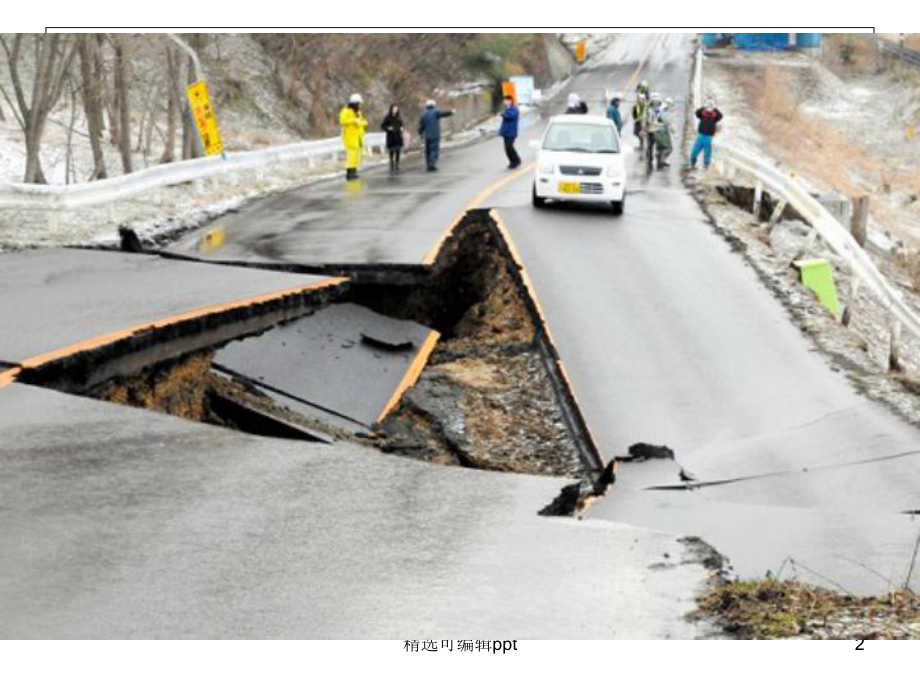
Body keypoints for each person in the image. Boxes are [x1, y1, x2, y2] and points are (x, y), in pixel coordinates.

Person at [418, 99, 454, 172]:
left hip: (427, 136)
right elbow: (443, 114)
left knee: (428, 150)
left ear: (427, 106)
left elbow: (421, 126)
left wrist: (420, 132)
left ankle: (428, 165)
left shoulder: (424, 114)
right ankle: (432, 164)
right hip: (435, 135)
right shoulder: (435, 112)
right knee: (434, 150)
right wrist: (451, 112)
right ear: (434, 105)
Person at [339, 94, 368, 180]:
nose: (359, 105)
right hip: (349, 137)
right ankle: (349, 173)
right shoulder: (346, 111)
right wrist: (353, 121)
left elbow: (362, 121)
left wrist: (363, 123)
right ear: (354, 103)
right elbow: (342, 121)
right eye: (358, 103)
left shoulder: (358, 112)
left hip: (358, 137)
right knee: (351, 155)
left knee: (356, 155)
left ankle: (354, 171)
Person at [690, 97, 724, 170]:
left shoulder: (714, 117)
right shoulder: (702, 114)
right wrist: (704, 107)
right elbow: (697, 113)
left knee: (707, 151)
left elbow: (720, 116)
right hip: (701, 135)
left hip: (708, 136)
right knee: (695, 150)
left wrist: (714, 108)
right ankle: (693, 161)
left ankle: (706, 164)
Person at [644, 93, 672, 167]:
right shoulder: (649, 109)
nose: (656, 103)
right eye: (654, 101)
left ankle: (659, 161)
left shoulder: (660, 109)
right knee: (651, 146)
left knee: (659, 146)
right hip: (651, 130)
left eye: (657, 101)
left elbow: (665, 120)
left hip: (658, 131)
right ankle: (650, 160)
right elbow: (645, 119)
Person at [381, 104, 405, 174]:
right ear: (391, 109)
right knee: (391, 150)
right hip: (391, 136)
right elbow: (383, 126)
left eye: (396, 109)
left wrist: (402, 128)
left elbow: (401, 125)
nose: (395, 110)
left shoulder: (399, 117)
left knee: (398, 150)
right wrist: (388, 128)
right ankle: (391, 162)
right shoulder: (387, 117)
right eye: (394, 108)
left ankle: (397, 164)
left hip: (398, 135)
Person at [499, 94, 521, 169]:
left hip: (511, 132)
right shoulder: (507, 108)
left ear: (510, 101)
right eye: (504, 100)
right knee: (507, 148)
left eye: (505, 100)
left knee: (509, 147)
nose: (504, 101)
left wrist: (503, 114)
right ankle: (512, 162)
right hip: (506, 132)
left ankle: (517, 160)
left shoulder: (514, 108)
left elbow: (510, 116)